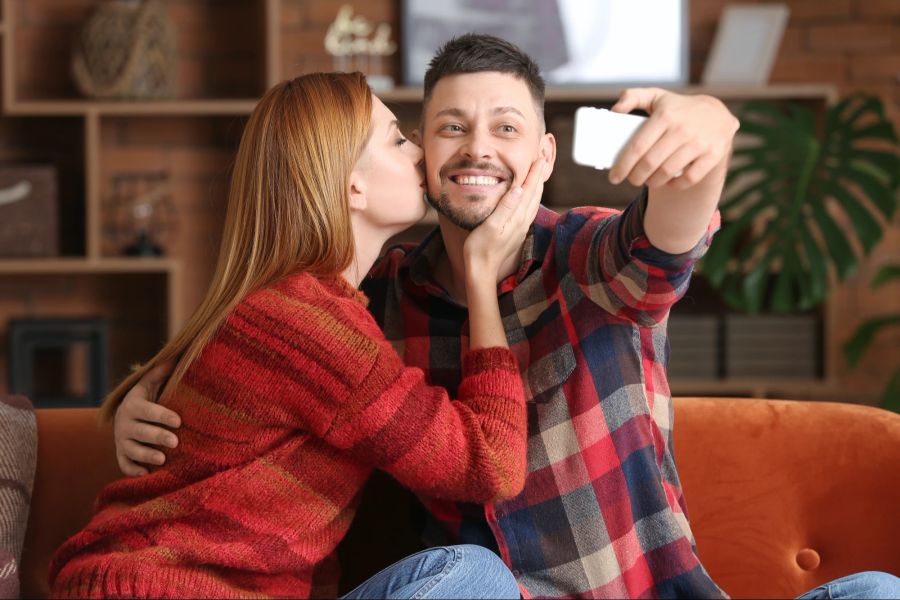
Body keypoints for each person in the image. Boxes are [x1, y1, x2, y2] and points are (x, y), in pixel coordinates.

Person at [113, 35, 900, 599]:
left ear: (546, 158)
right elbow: (250, 355)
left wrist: (707, 134)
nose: (475, 148)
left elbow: (667, 240)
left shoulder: (585, 256)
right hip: (474, 589)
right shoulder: (372, 294)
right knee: (474, 577)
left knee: (874, 592)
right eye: (450, 127)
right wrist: (137, 400)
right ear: (421, 152)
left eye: (506, 128)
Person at [47, 71, 550, 599]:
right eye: (398, 139)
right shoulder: (314, 326)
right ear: (352, 185)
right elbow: (490, 466)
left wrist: (136, 389)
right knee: (477, 576)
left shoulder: (293, 304)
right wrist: (480, 275)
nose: (422, 152)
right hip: (163, 591)